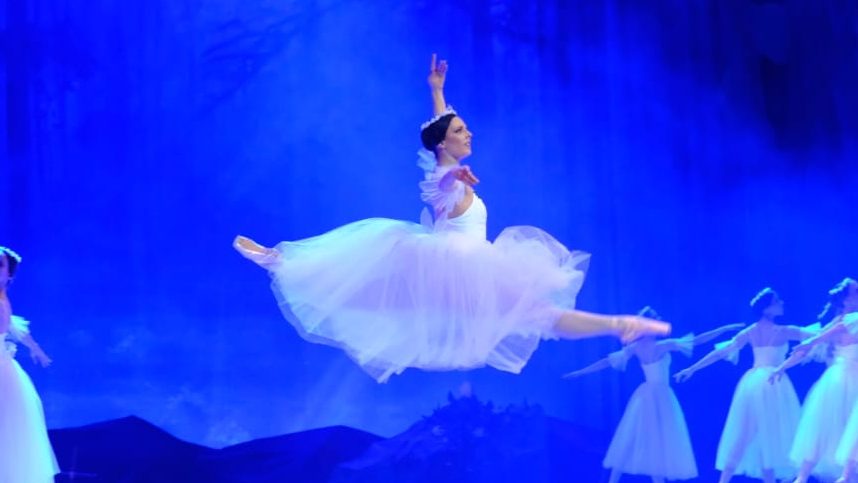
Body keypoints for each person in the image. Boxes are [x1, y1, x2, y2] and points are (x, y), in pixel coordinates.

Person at [233, 54, 670, 382]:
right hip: (458, 268)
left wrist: (437, 90)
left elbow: (440, 138)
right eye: (461, 132)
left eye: (465, 128)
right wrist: (453, 177)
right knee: (372, 295)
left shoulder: (443, 160)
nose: (469, 133)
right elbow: (440, 186)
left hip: (466, 266)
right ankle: (281, 261)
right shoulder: (443, 177)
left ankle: (619, 325)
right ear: (445, 147)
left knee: (535, 314)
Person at [563, 306, 743, 483]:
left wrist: (581, 372)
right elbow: (696, 341)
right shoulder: (662, 346)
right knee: (657, 442)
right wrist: (724, 329)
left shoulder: (636, 347)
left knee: (633, 439)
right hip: (661, 396)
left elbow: (606, 362)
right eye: (656, 320)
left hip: (644, 395)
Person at [674, 288, 813, 483]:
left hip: (753, 383)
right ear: (768, 308)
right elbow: (819, 336)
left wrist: (692, 369)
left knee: (747, 434)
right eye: (777, 301)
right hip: (774, 382)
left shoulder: (751, 332)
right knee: (768, 434)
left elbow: (720, 353)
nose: (781, 303)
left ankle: (728, 480)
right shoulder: (784, 331)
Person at [768, 278, 858, 483]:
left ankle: (842, 476)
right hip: (841, 379)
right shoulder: (844, 322)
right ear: (845, 301)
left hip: (842, 379)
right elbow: (806, 348)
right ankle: (805, 476)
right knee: (823, 429)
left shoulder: (845, 322)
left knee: (844, 432)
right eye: (856, 291)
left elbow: (811, 343)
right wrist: (782, 367)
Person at [0, 246, 59, 482]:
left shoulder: (3, 299)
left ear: (9, 275)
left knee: (11, 433)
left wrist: (36, 348)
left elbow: (12, 326)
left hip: (4, 372)